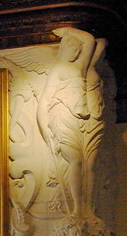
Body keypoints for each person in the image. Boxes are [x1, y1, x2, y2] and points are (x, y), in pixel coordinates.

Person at [36, 28, 97, 217]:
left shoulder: (80, 67)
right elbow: (44, 102)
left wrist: (69, 30)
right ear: (63, 50)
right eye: (72, 47)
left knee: (88, 164)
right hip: (63, 119)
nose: (76, 52)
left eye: (77, 50)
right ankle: (78, 208)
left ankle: (87, 208)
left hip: (82, 120)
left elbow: (89, 40)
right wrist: (45, 129)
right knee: (76, 161)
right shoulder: (58, 69)